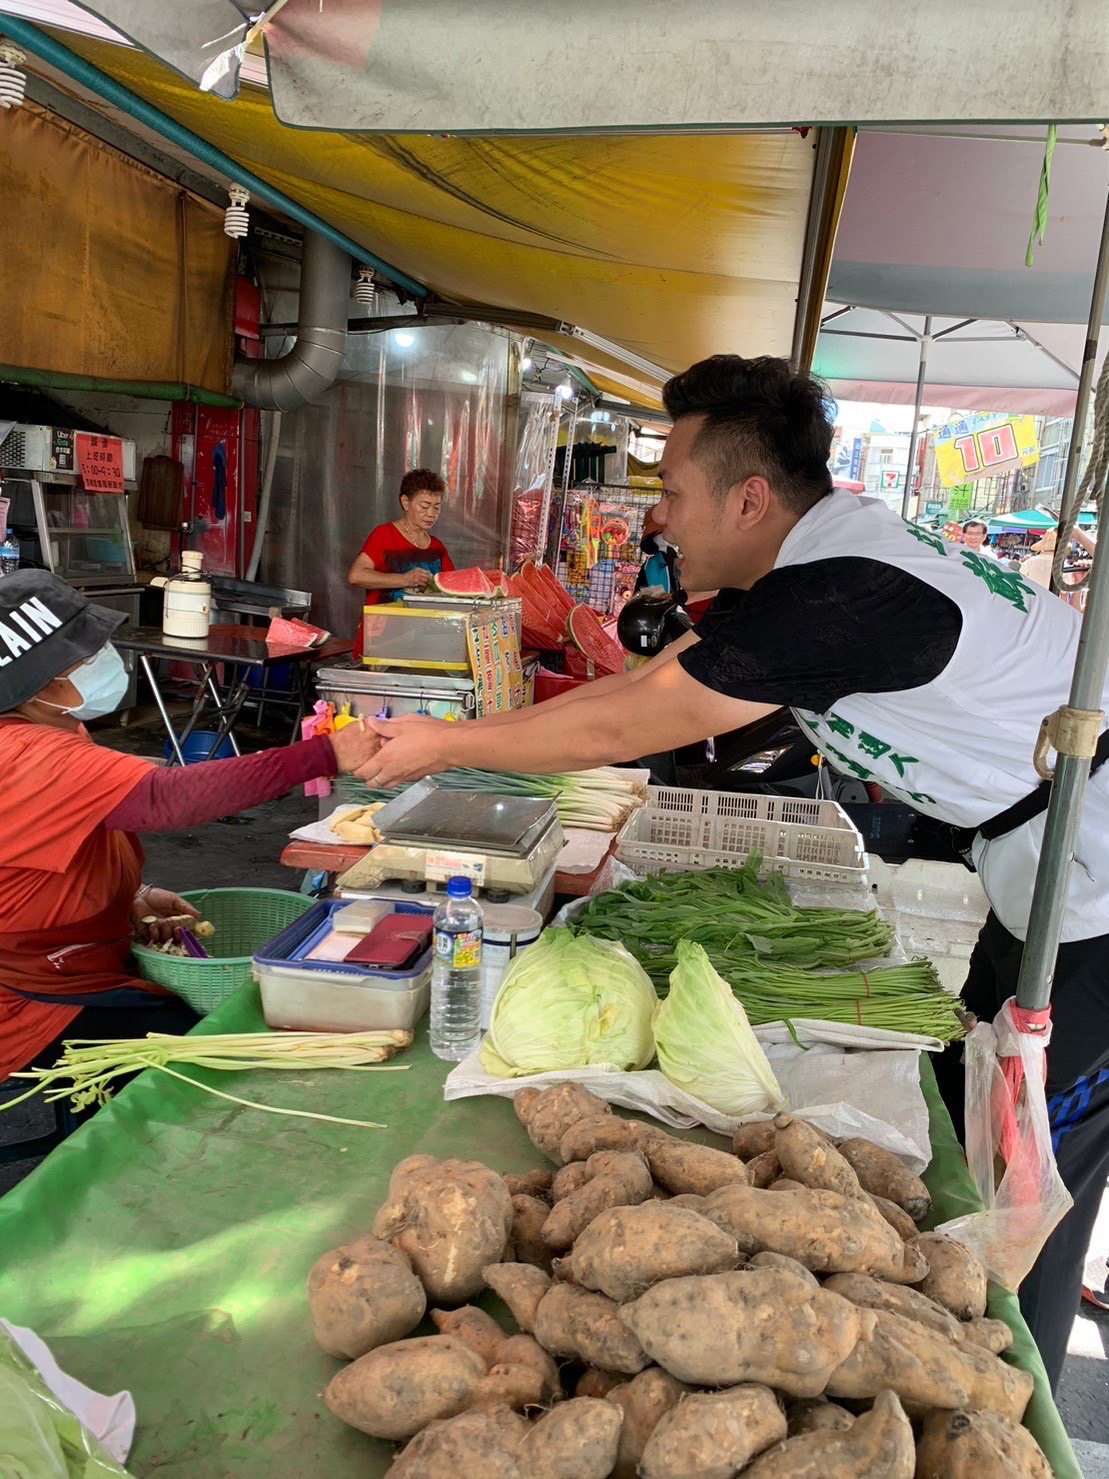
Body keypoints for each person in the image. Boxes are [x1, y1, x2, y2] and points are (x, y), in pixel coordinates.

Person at [363, 354, 1109, 1393]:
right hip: (1041, 871)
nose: (657, 519)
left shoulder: (836, 596)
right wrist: (464, 733)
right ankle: (941, 1317)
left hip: (1096, 891)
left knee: (1032, 1170)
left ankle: (998, 1392)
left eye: (669, 493)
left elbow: (624, 723)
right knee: (968, 1109)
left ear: (750, 497)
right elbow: (646, 682)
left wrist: (441, 750)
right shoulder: (822, 559)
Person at [0, 571, 382, 1082]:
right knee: (213, 1063)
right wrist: (325, 753)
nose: (101, 662)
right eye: (83, 658)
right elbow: (165, 797)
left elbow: (46, 845)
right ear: (36, 683)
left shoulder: (51, 726)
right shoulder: (26, 754)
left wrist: (131, 893)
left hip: (79, 952)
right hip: (36, 995)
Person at [348, 468, 454, 661]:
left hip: (425, 646)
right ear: (405, 502)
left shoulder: (438, 547)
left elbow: (452, 590)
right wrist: (405, 579)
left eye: (437, 507)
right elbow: (356, 575)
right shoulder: (384, 535)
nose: (431, 513)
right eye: (424, 506)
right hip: (381, 641)